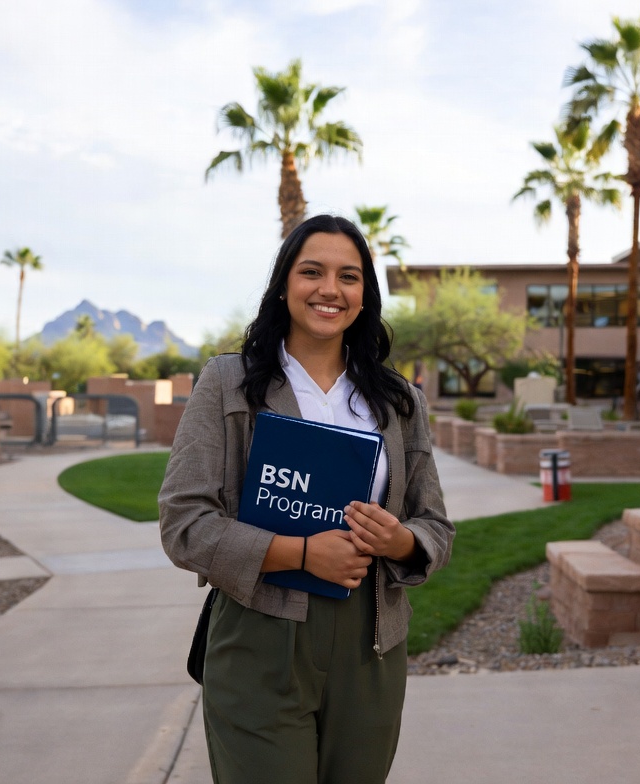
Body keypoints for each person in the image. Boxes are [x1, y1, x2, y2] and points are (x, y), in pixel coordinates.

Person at [158, 214, 454, 784]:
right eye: (311, 272)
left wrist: (402, 540)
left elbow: (435, 525)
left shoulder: (398, 401)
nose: (329, 289)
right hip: (260, 638)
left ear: (364, 294)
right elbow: (184, 524)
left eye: (348, 276)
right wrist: (299, 553)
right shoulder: (228, 383)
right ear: (283, 284)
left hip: (371, 645)